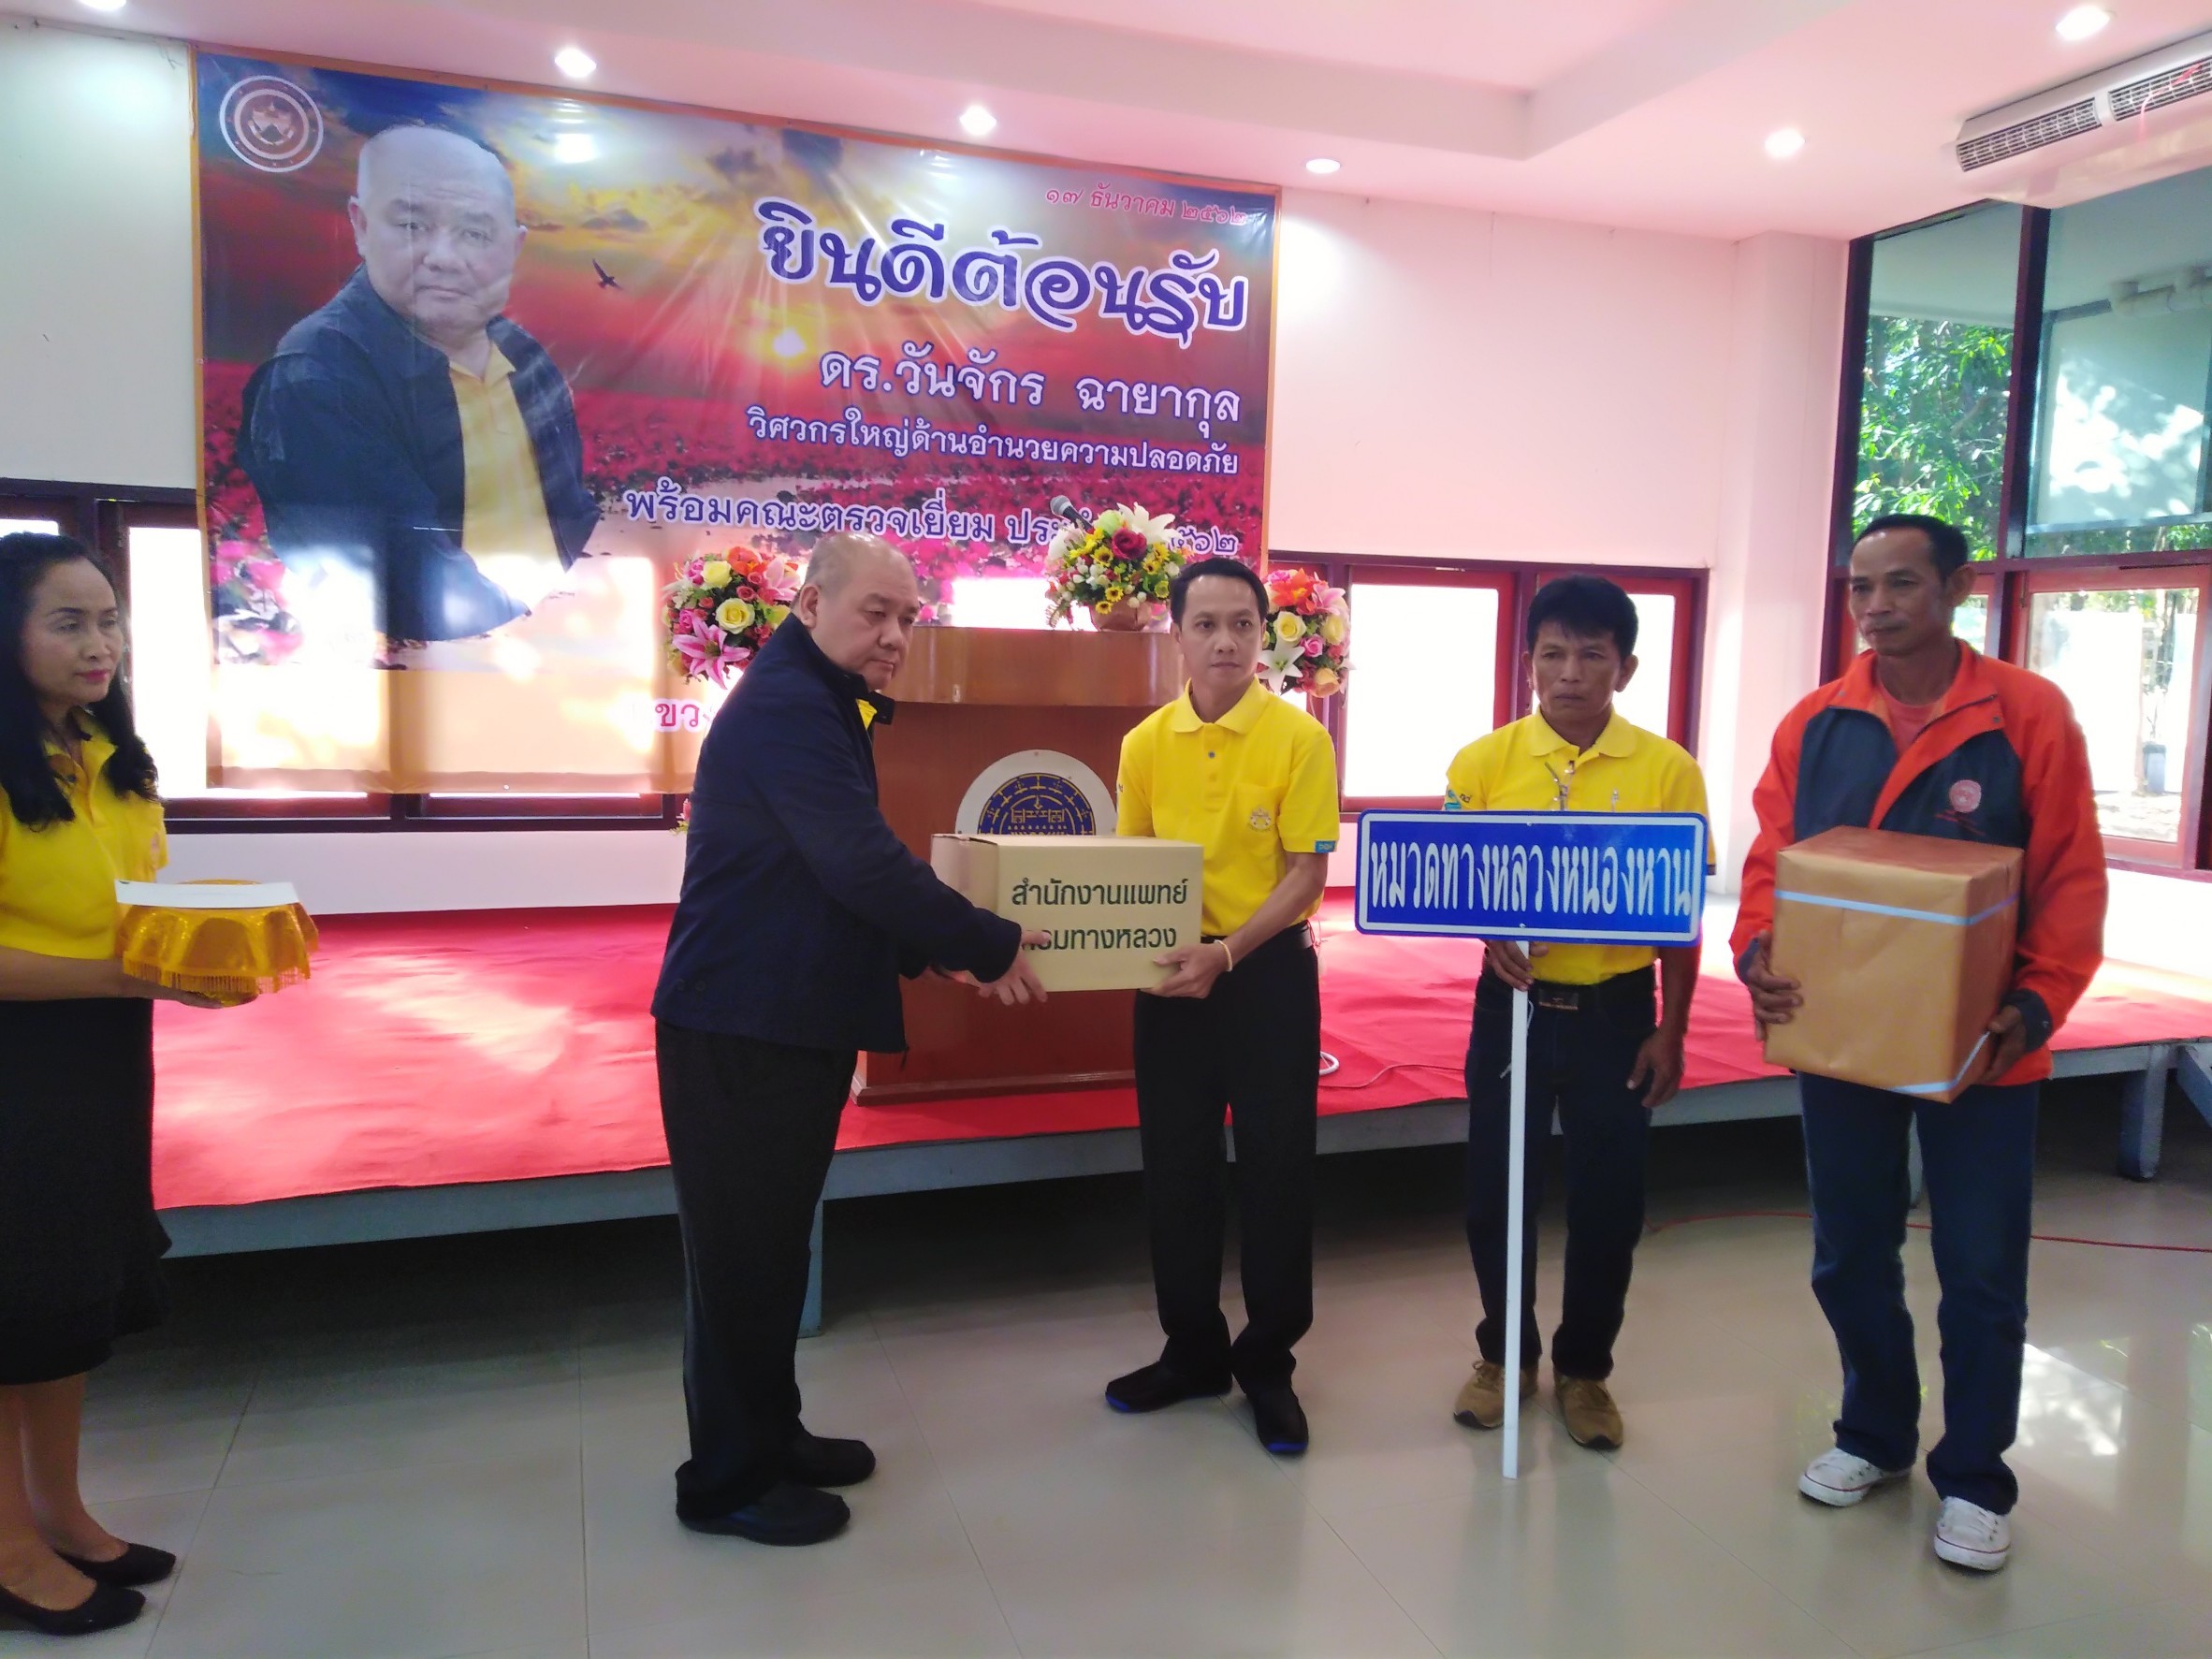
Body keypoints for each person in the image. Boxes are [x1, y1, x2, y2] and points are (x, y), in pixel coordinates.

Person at [651, 531, 1048, 1546]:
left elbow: (825, 876)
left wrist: (935, 955)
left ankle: (771, 1435)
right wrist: (986, 941)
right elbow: (859, 862)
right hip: (742, 1022)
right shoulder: (790, 705)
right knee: (741, 1259)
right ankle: (726, 1482)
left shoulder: (816, 695)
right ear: (810, 603)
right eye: (876, 611)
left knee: (773, 1248)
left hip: (783, 1014)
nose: (895, 635)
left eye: (908, 617)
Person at [1735, 513, 2105, 1574]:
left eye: (1901, 583)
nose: (1876, 606)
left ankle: (1977, 1479)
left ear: (1956, 589)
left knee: (1981, 1267)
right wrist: (1757, 948)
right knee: (1850, 1250)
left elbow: (2071, 877)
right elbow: (1772, 861)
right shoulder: (1817, 723)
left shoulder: (2027, 715)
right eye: (1861, 588)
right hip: (1844, 1031)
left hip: (1984, 1044)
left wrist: (2037, 1003)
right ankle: (1875, 1432)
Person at [0, 534, 249, 1638]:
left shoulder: (103, 750)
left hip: (97, 1057)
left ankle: (58, 1512)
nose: (100, 643)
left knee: (64, 1296)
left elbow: (135, 907)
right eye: (68, 622)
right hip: (17, 1064)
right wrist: (125, 975)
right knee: (9, 1299)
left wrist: (208, 958)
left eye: (108, 620)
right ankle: (5, 1549)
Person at [1441, 575, 1710, 1452]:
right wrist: (1489, 932)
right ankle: (1504, 1358)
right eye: (1552, 653)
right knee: (1495, 1193)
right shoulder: (1482, 764)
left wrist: (1672, 1028)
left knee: (1609, 1201)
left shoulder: (1669, 771)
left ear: (1625, 668)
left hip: (1617, 1013)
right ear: (1528, 662)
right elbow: (1457, 878)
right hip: (1511, 1007)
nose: (1569, 672)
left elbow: (1680, 915)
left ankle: (1586, 1370)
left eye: (1592, 655)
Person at [1104, 556, 1340, 1456]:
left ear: (1264, 634)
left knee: (1278, 1165)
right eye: (1205, 624)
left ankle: (1269, 1361)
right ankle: (1192, 1349)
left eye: (1243, 623)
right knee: (1176, 1164)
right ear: (1177, 634)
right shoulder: (1144, 743)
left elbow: (1307, 874)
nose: (1226, 641)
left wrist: (1229, 951)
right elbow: (1130, 866)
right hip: (1171, 976)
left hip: (1267, 973)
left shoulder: (1298, 738)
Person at [237, 122, 598, 650]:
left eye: (475, 234)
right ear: (360, 226)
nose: (444, 257)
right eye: (411, 225)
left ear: (514, 246)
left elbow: (568, 511)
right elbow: (402, 571)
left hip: (552, 646)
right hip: (439, 663)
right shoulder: (317, 373)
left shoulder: (527, 360)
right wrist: (536, 631)